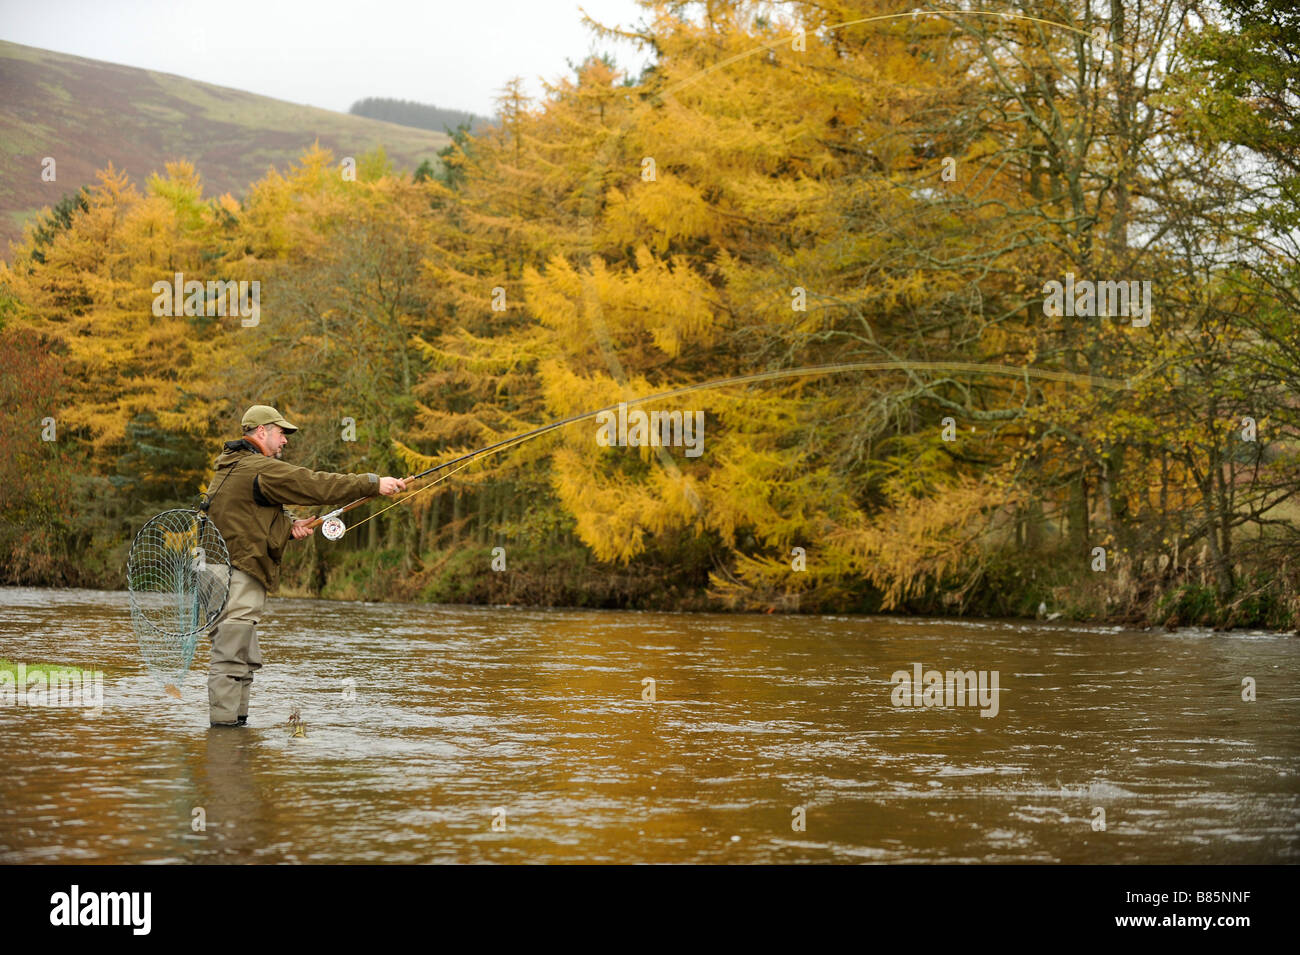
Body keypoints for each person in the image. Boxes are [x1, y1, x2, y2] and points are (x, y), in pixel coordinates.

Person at [201, 404, 407, 727]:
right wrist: (373, 484)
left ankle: (235, 737)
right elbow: (314, 484)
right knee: (231, 657)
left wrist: (289, 526)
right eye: (281, 433)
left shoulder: (230, 467)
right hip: (237, 574)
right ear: (261, 432)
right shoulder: (260, 469)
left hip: (218, 573)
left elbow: (243, 518)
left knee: (240, 654)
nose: (285, 441)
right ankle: (224, 740)